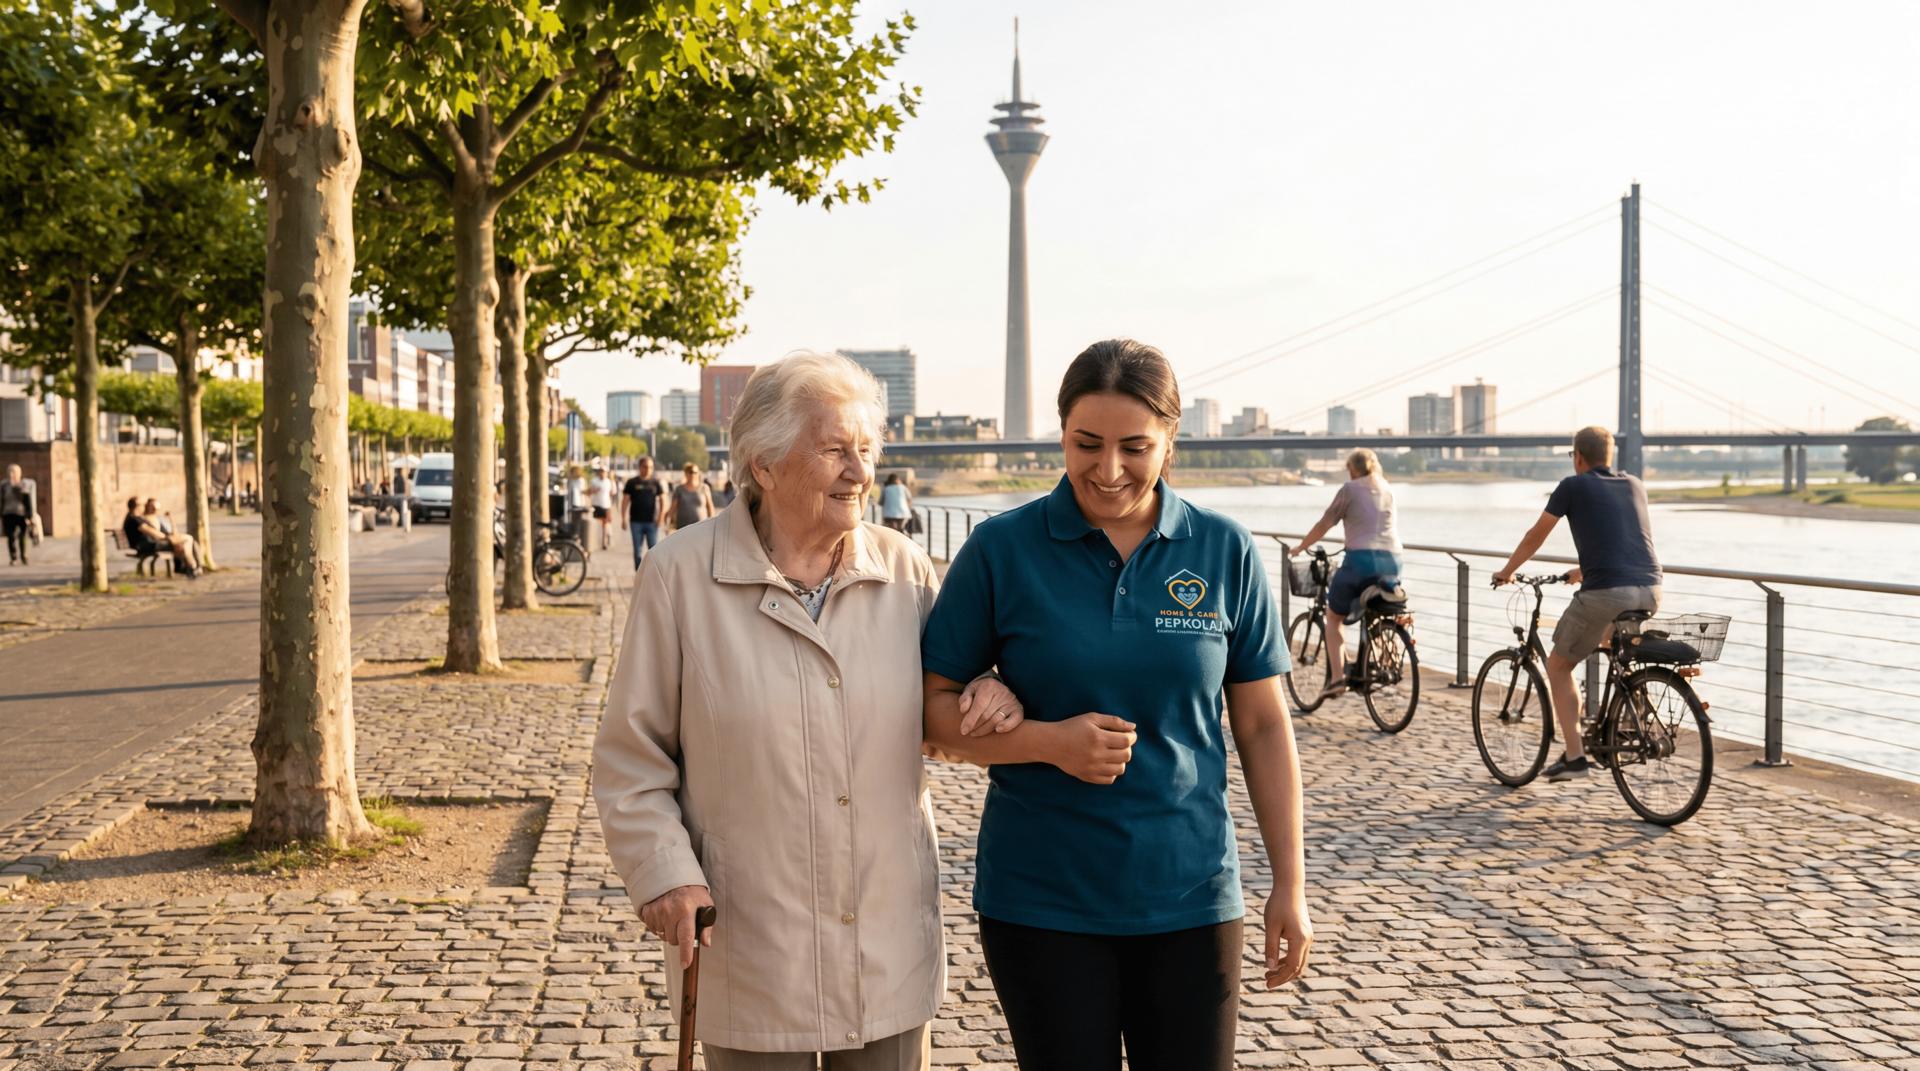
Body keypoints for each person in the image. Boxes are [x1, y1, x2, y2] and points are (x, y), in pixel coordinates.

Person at [593, 351, 1023, 1069]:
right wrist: (666, 871)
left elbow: (946, 709)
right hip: (754, 951)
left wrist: (992, 689)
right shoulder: (678, 576)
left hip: (885, 949)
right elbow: (630, 760)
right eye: (834, 451)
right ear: (763, 465)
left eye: (865, 449)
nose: (860, 471)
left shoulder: (906, 572)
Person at [919, 339, 1312, 1071]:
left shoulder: (1224, 549)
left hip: (1194, 898)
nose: (1108, 469)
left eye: (1135, 446)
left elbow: (1261, 725)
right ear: (1061, 434)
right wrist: (1048, 741)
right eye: (1085, 444)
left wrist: (1289, 882)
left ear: (1171, 440)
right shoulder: (1002, 550)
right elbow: (930, 715)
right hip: (1041, 901)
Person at [1492, 425, 1662, 782]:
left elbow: (1536, 535)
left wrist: (1507, 571)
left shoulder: (1572, 485)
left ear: (1578, 457)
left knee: (1558, 666)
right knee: (1607, 644)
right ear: (1610, 455)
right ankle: (1625, 718)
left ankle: (1574, 757)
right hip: (1650, 588)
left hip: (1607, 592)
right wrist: (1585, 569)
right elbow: (1625, 539)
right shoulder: (1634, 483)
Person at [1287, 447, 1404, 701]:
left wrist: (1301, 547)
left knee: (1334, 618)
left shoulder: (1349, 490)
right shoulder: (1387, 487)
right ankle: (1386, 654)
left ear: (1352, 468)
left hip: (1361, 562)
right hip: (1393, 560)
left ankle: (1338, 678)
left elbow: (1325, 523)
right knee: (1379, 608)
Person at [123, 496, 200, 577]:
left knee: (185, 542)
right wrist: (168, 538)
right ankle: (190, 567)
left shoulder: (135, 517)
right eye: (143, 504)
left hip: (149, 543)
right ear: (137, 506)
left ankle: (188, 567)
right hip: (147, 545)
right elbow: (151, 531)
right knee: (187, 539)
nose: (145, 506)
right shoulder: (134, 519)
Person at [619, 457, 666, 569]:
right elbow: (625, 501)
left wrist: (661, 517)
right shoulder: (632, 483)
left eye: (650, 467)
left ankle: (652, 574)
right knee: (637, 551)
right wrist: (623, 518)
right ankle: (639, 575)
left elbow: (663, 500)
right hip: (636, 522)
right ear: (640, 467)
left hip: (652, 522)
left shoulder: (656, 483)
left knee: (654, 551)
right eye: (645, 467)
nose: (647, 469)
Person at [2, 464, 36, 566]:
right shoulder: (4, 486)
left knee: (23, 535)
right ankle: (13, 557)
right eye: (10, 472)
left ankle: (24, 556)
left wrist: (29, 516)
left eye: (14, 472)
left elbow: (27, 502)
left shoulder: (23, 485)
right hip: (8, 513)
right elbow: (2, 501)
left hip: (21, 514)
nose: (11, 474)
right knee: (11, 536)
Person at [667, 462, 714, 532]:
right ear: (686, 473)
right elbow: (673, 508)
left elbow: (710, 507)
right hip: (682, 527)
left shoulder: (704, 488)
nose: (693, 474)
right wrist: (669, 525)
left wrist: (712, 525)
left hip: (701, 527)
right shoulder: (679, 489)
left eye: (695, 472)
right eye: (690, 472)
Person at [589, 461, 616, 550]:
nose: (602, 473)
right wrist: (594, 490)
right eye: (601, 471)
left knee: (605, 524)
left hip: (606, 505)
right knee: (597, 524)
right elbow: (589, 491)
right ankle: (597, 540)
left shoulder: (609, 482)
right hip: (596, 505)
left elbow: (613, 493)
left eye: (603, 472)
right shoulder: (594, 481)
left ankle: (604, 542)